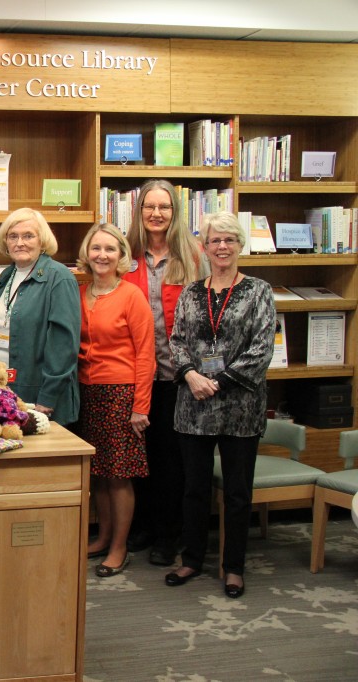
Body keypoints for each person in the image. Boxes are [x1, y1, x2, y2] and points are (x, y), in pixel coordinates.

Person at [164, 212, 276, 599]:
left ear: (240, 244)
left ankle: (234, 567)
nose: (222, 247)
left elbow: (261, 350)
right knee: (194, 489)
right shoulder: (191, 292)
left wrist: (217, 382)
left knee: (237, 493)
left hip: (240, 409)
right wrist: (192, 376)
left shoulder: (259, 291)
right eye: (215, 241)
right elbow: (176, 340)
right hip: (192, 407)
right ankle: (192, 558)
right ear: (205, 247)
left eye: (229, 239)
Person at [123, 179, 206, 565]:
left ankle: (167, 535)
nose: (156, 214)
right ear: (139, 213)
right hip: (137, 373)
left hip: (179, 376)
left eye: (164, 207)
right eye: (149, 207)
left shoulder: (192, 256)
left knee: (171, 461)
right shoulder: (127, 255)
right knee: (140, 456)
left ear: (175, 213)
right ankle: (142, 526)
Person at [75, 223, 156, 577]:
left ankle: (119, 546)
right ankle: (104, 536)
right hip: (86, 392)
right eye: (96, 248)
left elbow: (146, 355)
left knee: (120, 475)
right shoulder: (79, 292)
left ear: (122, 256)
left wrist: (141, 406)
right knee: (98, 472)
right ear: (86, 254)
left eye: (110, 249)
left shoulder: (131, 296)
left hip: (121, 394)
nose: (102, 255)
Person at [0, 208, 80, 424]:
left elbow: (64, 346)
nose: (20, 242)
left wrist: (47, 398)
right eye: (13, 236)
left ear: (42, 240)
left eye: (28, 236)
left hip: (40, 395)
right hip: (3, 388)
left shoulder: (59, 277)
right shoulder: (7, 275)